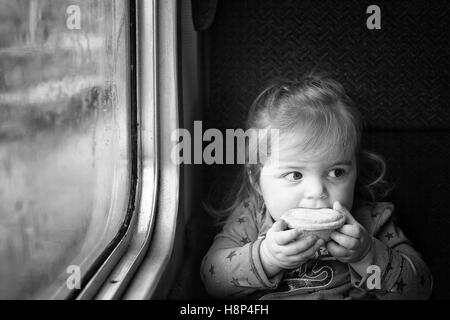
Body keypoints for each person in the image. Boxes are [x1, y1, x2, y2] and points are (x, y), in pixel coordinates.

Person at [200, 73, 433, 299]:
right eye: (294, 175)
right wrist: (266, 258)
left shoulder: (373, 220)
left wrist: (367, 256)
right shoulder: (251, 219)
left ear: (355, 171)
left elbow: (420, 288)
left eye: (336, 172)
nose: (317, 192)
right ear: (256, 179)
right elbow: (212, 281)